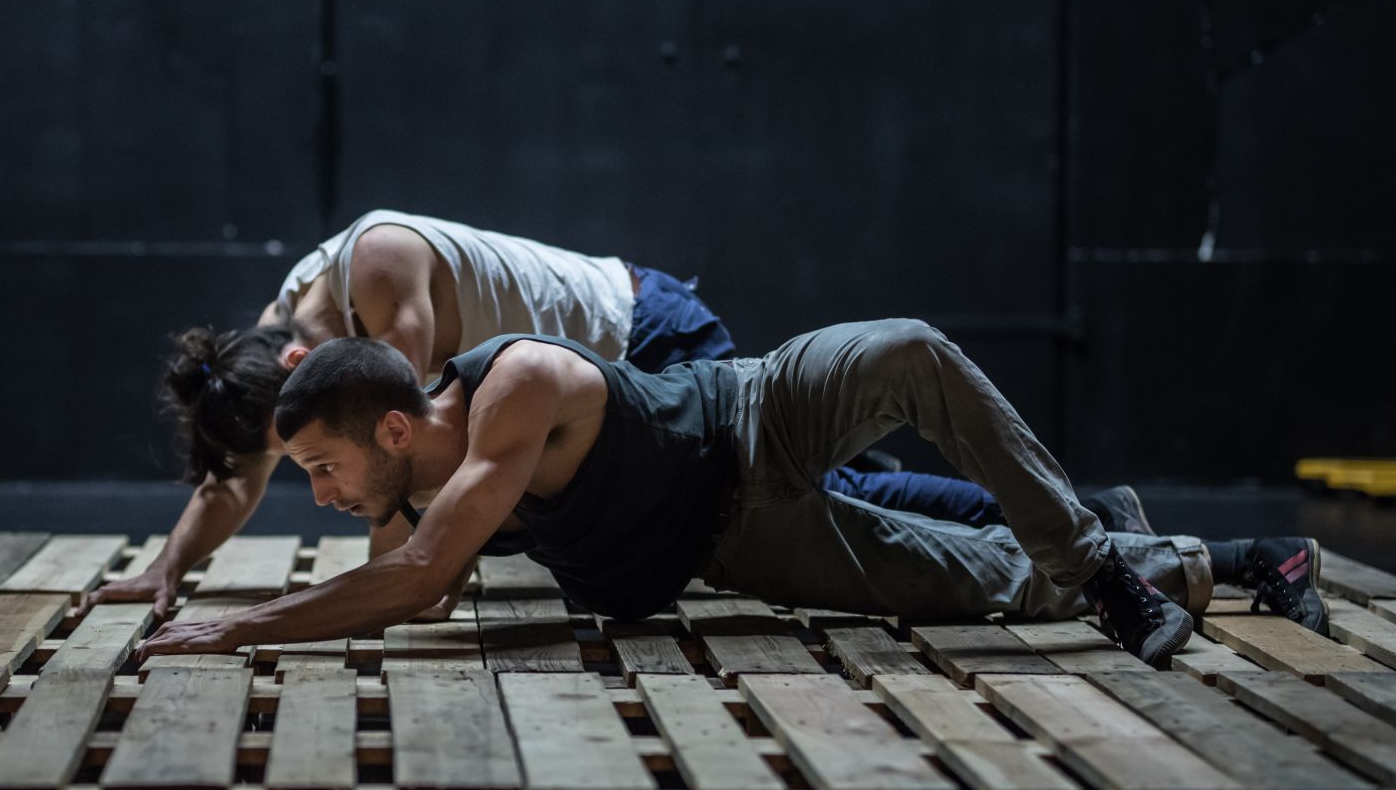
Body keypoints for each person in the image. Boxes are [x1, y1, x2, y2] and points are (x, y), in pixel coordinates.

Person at [90, 210, 1149, 617]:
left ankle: (1081, 521)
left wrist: (395, 585)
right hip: (568, 392)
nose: (303, 479)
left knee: (836, 485)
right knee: (833, 502)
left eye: (312, 461)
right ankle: (1074, 523)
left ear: (301, 363)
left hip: (641, 332)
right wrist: (170, 566)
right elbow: (244, 467)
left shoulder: (377, 275)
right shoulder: (278, 347)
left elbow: (404, 479)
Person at [135, 322, 1329, 669]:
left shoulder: (511, 387)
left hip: (753, 412)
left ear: (391, 429)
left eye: (324, 469)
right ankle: (1242, 561)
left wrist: (238, 626)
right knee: (991, 586)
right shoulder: (419, 484)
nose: (321, 494)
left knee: (909, 350)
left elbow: (415, 582)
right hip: (747, 544)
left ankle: (1102, 566)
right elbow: (417, 589)